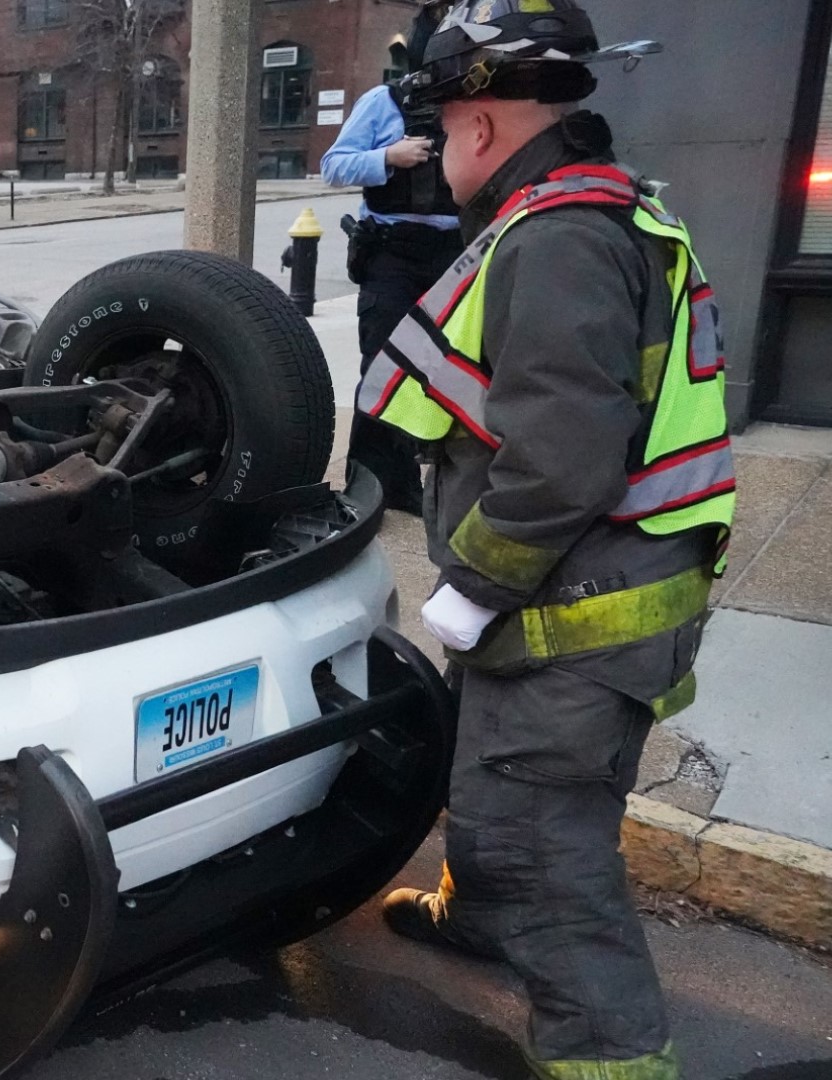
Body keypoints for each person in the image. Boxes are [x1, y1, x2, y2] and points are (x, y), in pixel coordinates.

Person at [357, 4, 731, 1079]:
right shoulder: (605, 211)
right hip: (584, 600)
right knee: (496, 785)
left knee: (542, 844)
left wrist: (471, 583)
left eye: (443, 134)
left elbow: (563, 458)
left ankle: (612, 1055)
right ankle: (484, 920)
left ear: (476, 127)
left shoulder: (559, 240)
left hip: (573, 609)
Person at [321, 0, 462, 516]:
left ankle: (413, 483)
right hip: (393, 253)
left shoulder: (469, 107)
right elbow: (333, 166)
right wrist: (388, 157)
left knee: (442, 371)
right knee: (384, 368)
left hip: (456, 255)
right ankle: (371, 487)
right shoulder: (383, 101)